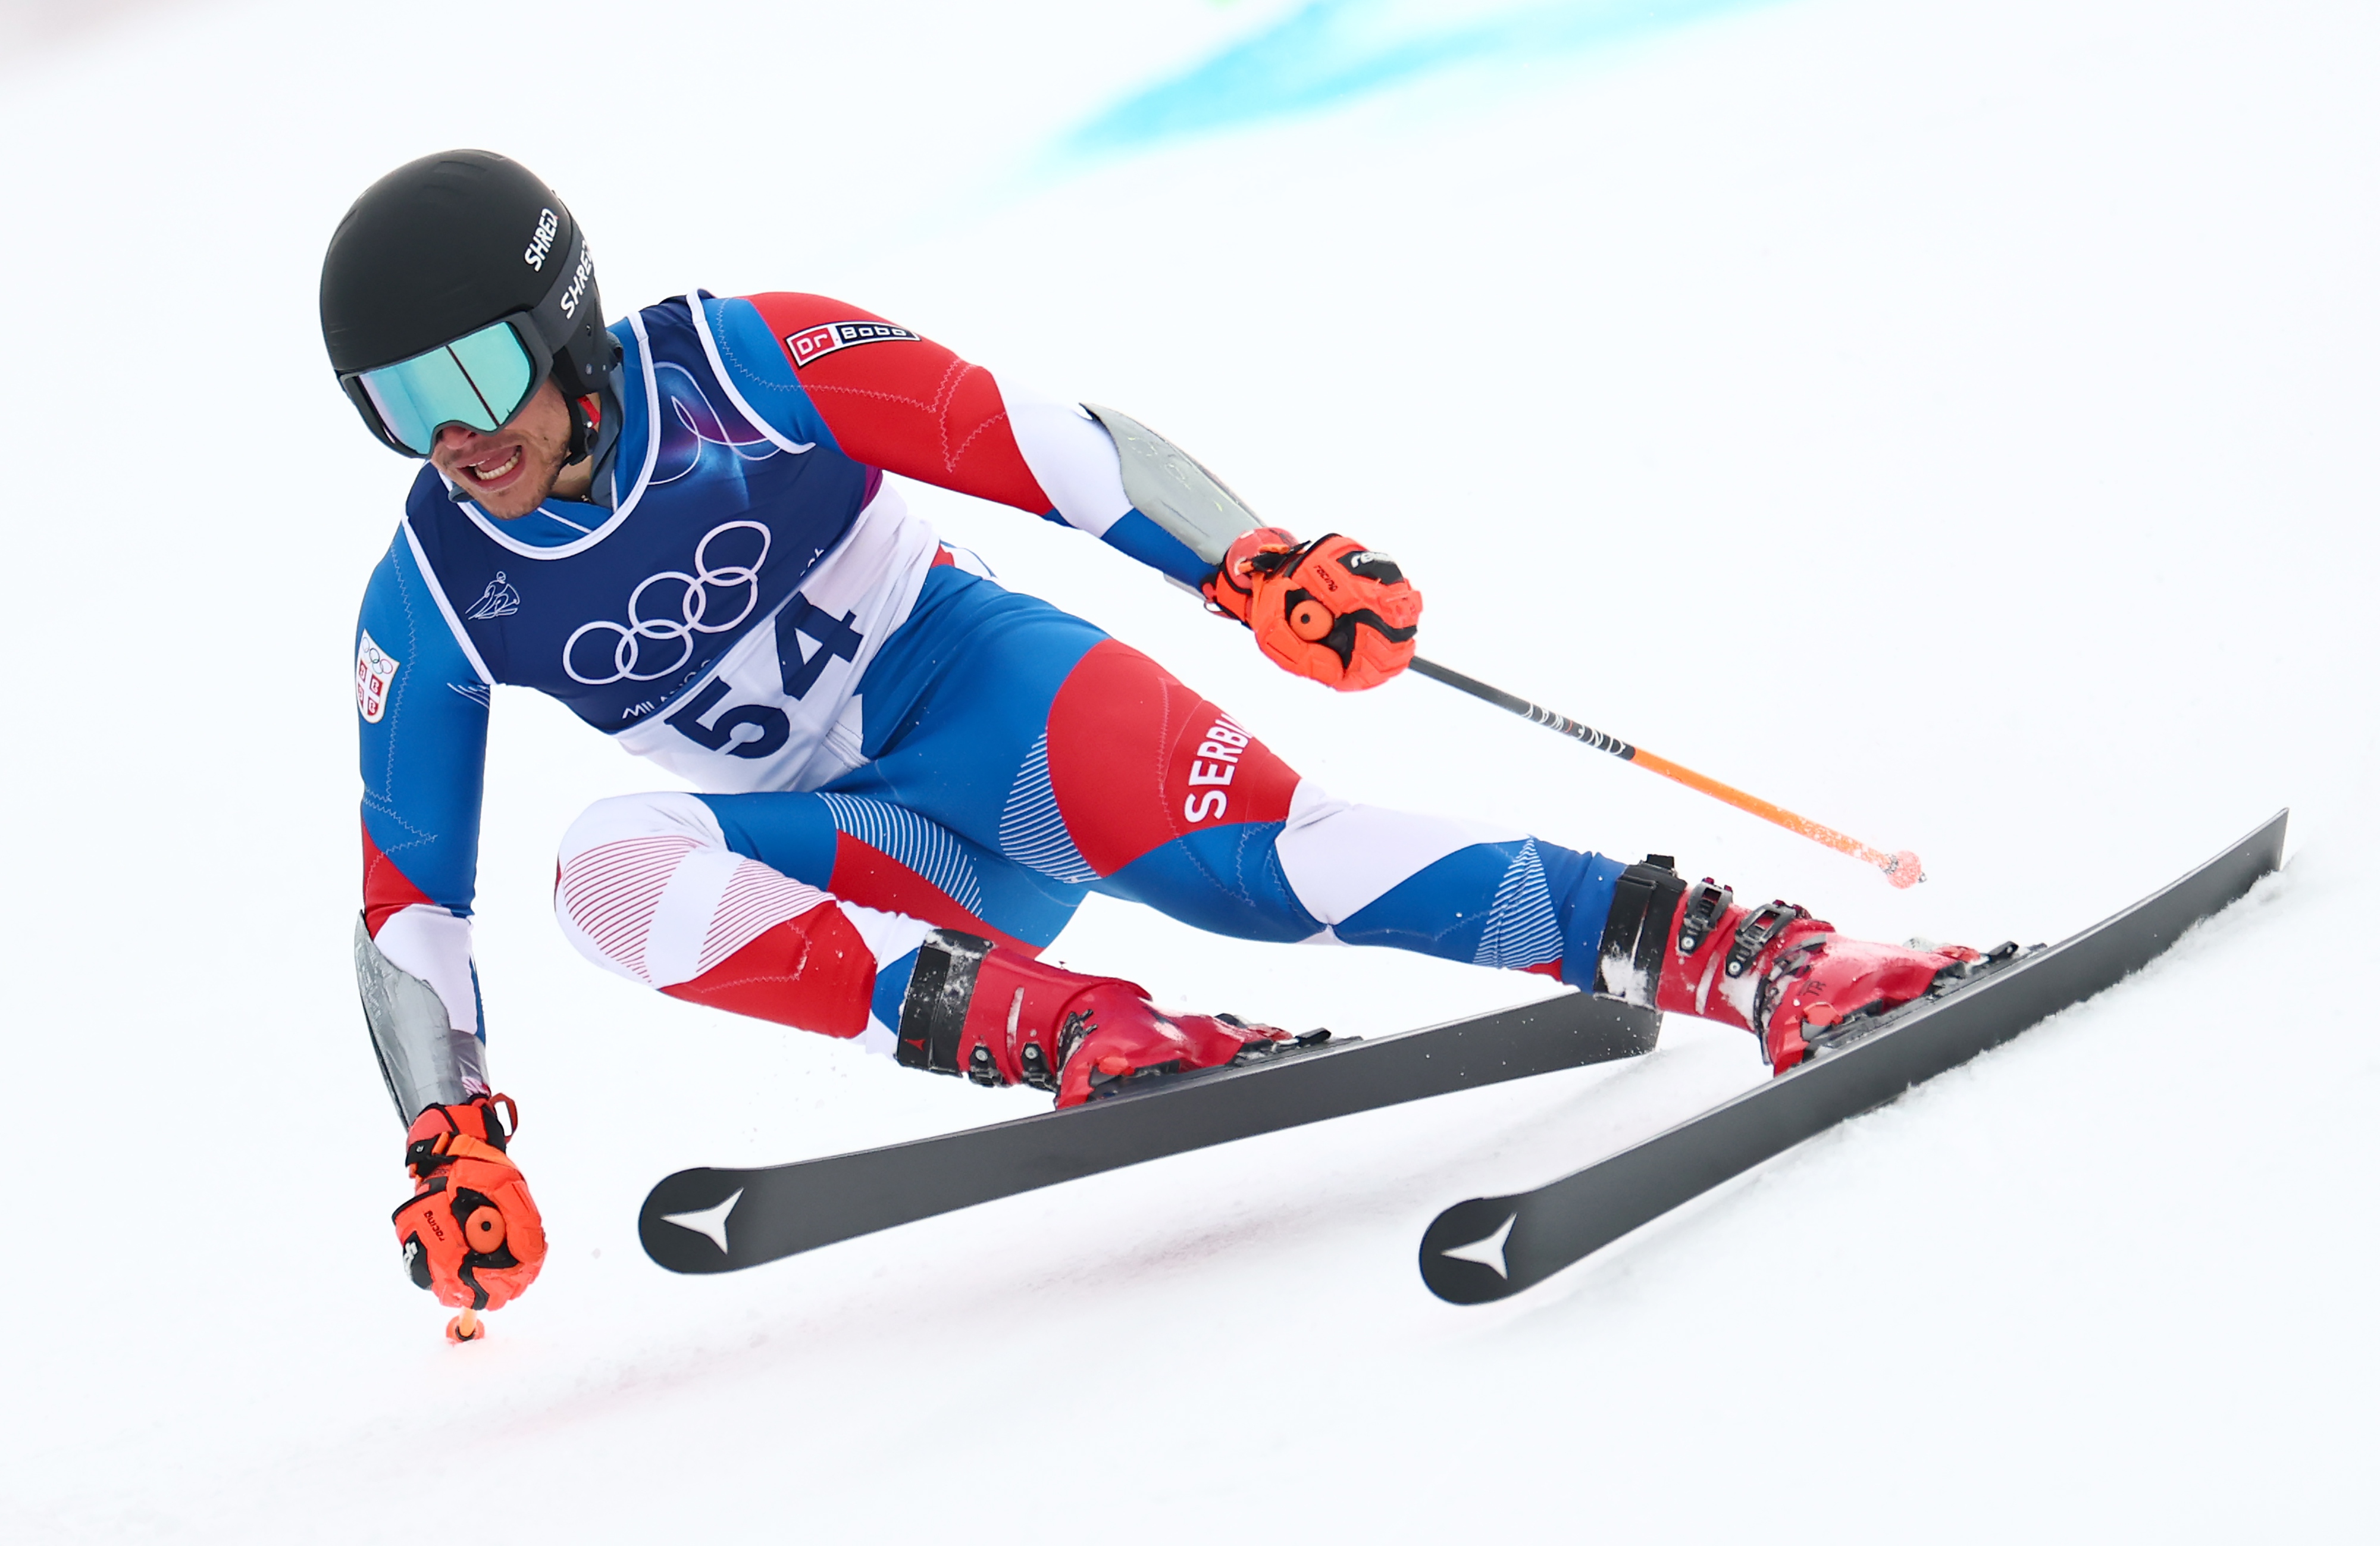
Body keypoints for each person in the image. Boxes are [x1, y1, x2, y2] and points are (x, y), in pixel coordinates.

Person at [328, 150, 1974, 1322]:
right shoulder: (435, 599)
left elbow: (1033, 441)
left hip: (990, 709)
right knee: (603, 868)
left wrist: (1251, 563)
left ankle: (1759, 955)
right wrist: (444, 1132)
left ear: (564, 324)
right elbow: (409, 908)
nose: (454, 437)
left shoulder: (739, 362)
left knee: (1273, 871)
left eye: (473, 373)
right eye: (402, 406)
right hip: (881, 865)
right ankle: (1084, 1034)